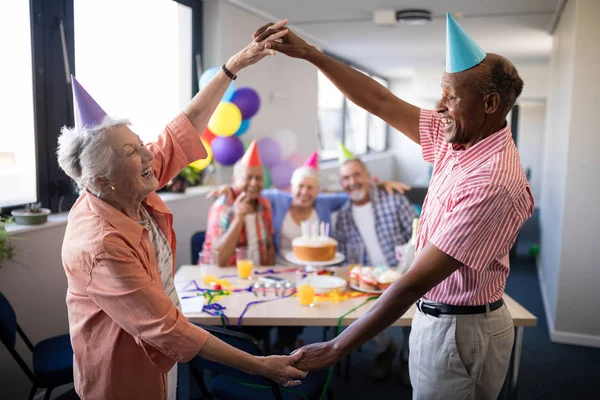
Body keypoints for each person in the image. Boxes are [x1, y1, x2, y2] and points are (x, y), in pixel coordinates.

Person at [254, 13, 534, 399]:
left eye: (450, 97)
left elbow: (415, 280)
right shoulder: (458, 137)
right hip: (434, 316)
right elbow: (380, 99)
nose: (439, 107)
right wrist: (312, 55)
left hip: (462, 330)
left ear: (489, 102)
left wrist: (336, 347)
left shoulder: (492, 181)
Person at [58, 20, 307, 400]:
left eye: (141, 144)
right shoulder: (99, 244)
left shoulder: (127, 185)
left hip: (164, 357)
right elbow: (169, 328)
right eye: (132, 152)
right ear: (101, 178)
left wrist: (234, 65)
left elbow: (183, 129)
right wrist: (261, 367)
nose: (148, 157)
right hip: (122, 372)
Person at [206, 151, 409, 353]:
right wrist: (229, 189)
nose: (305, 192)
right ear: (291, 188)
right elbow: (252, 190)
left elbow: (353, 192)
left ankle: (292, 344)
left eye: (310, 187)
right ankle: (286, 345)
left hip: (314, 272)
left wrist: (379, 185)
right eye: (300, 186)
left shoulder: (324, 204)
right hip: (280, 272)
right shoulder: (276, 200)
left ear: (317, 191)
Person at [334, 155, 417, 382]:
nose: (352, 182)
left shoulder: (393, 199)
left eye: (356, 174)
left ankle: (409, 358)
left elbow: (419, 233)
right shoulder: (342, 217)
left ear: (368, 176)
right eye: (346, 178)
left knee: (416, 311)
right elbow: (343, 260)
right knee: (353, 312)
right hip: (366, 280)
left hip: (404, 273)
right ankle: (385, 349)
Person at [203, 140, 275, 267]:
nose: (254, 183)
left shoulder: (265, 204)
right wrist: (239, 219)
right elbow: (217, 260)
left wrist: (270, 275)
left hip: (258, 278)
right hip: (226, 278)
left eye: (258, 178)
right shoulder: (222, 206)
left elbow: (269, 246)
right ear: (234, 180)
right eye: (248, 178)